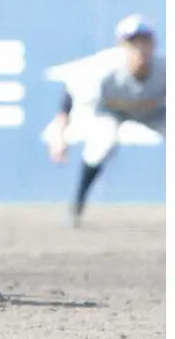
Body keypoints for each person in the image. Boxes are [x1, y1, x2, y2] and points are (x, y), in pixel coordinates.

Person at [42, 14, 165, 227]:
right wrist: (59, 136)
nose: (140, 48)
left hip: (153, 112)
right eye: (133, 42)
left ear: (154, 44)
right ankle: (77, 207)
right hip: (111, 110)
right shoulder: (104, 67)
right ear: (121, 45)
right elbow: (70, 93)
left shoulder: (165, 68)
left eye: (145, 41)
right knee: (101, 144)